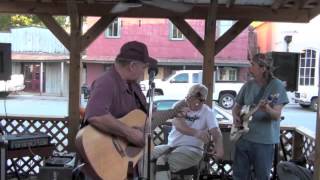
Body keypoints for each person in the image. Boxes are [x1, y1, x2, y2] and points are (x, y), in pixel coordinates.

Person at [232, 53, 289, 180]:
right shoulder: (248, 85)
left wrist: (267, 109)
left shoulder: (277, 86)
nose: (249, 67)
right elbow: (236, 107)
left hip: (264, 141)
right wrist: (235, 117)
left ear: (263, 68)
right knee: (239, 176)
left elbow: (276, 116)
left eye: (252, 64)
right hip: (243, 138)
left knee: (262, 177)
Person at [150, 84, 224, 180]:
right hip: (171, 146)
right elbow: (179, 125)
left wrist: (219, 149)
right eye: (189, 98)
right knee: (147, 156)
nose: (191, 103)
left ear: (203, 100)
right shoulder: (179, 105)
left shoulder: (207, 112)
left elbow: (216, 132)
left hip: (193, 150)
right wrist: (197, 133)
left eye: (196, 101)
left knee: (163, 162)